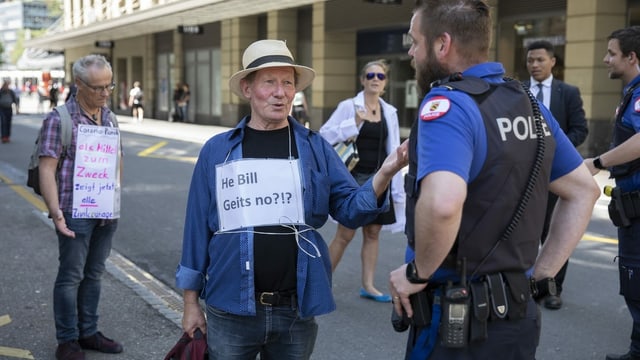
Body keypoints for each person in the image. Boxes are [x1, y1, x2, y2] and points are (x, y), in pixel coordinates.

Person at [388, 1, 599, 359]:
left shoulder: (447, 105)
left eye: (414, 41)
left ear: (442, 44)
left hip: (456, 318)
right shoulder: (528, 103)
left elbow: (442, 205)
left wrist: (417, 272)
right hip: (517, 317)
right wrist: (540, 275)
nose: (410, 51)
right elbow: (583, 190)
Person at [175, 39, 408, 359]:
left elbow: (350, 211)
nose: (281, 92)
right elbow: (196, 231)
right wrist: (190, 304)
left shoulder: (314, 148)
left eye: (287, 83)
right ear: (247, 88)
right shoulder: (218, 151)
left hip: (294, 311)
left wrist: (387, 170)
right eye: (269, 82)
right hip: (230, 308)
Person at [38, 54, 123, 360]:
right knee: (71, 276)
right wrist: (55, 212)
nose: (104, 93)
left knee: (95, 274)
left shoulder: (110, 117)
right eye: (97, 87)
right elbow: (47, 168)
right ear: (78, 84)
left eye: (108, 86)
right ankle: (67, 340)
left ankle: (88, 332)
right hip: (74, 211)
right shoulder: (59, 119)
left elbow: (117, 160)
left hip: (105, 211)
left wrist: (114, 199)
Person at [319, 60, 405, 303]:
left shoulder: (389, 111)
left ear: (385, 82)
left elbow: (393, 145)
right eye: (370, 75)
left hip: (380, 179)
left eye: (380, 75)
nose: (375, 79)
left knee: (373, 233)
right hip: (354, 179)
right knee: (345, 234)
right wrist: (353, 123)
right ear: (362, 79)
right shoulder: (349, 107)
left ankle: (368, 285)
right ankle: (321, 282)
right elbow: (324, 135)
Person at [584, 25, 640, 360]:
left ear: (632, 57)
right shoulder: (631, 92)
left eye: (611, 53)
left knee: (636, 279)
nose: (606, 59)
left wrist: (598, 161)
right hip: (630, 202)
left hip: (637, 204)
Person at [524, 40, 589, 310]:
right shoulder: (516, 92)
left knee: (555, 230)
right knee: (526, 230)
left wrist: (556, 152)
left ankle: (552, 288)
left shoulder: (568, 93)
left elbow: (579, 129)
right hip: (524, 175)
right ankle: (523, 285)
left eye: (540, 59)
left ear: (552, 62)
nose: (535, 65)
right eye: (530, 60)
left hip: (557, 174)